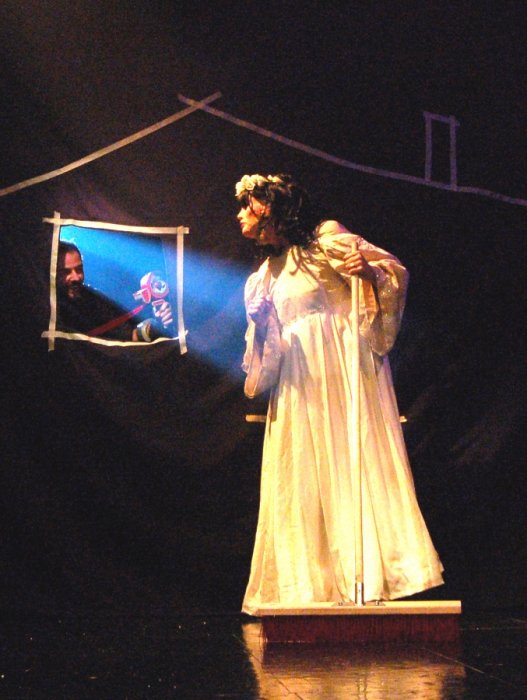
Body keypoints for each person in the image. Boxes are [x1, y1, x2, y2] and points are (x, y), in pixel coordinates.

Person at [235, 173, 444, 614]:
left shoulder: (325, 240)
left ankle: (366, 575)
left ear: (269, 207)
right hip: (298, 383)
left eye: (246, 205)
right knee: (302, 473)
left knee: (350, 459)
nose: (239, 215)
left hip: (340, 370)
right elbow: (263, 367)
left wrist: (367, 273)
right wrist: (260, 322)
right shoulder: (262, 279)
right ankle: (311, 583)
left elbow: (392, 274)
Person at [56, 242, 173, 341]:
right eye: (66, 272)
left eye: (79, 269)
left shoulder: (92, 300)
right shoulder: (49, 308)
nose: (76, 277)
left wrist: (156, 325)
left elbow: (130, 334)